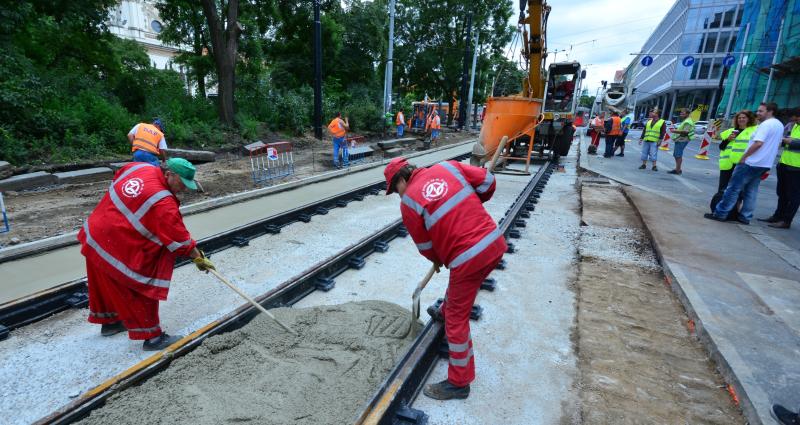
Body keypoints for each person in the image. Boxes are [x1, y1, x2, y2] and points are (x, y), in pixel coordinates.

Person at [384, 157, 506, 400]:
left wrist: (438, 257)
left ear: (401, 179)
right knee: (463, 286)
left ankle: (459, 383)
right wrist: (466, 204)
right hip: (493, 243)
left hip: (468, 259)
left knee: (456, 320)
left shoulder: (409, 202)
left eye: (394, 189)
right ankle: (447, 307)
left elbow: (426, 246)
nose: (397, 195)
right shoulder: (448, 166)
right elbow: (488, 182)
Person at [78, 158, 216, 351]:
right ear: (169, 174)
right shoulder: (163, 202)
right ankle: (152, 338)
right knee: (140, 282)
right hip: (115, 240)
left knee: (105, 278)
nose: (184, 189)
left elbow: (118, 177)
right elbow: (179, 239)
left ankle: (110, 323)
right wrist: (197, 257)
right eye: (182, 183)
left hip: (95, 231)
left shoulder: (139, 167)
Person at [705, 102, 784, 224]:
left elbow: (758, 143)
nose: (758, 113)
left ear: (770, 111)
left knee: (733, 189)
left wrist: (744, 157)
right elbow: (776, 145)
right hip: (763, 164)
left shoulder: (765, 125)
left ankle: (720, 213)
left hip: (751, 162)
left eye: (761, 111)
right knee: (751, 191)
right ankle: (745, 217)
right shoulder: (779, 125)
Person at [712, 111, 757, 218]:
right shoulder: (731, 131)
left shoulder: (754, 131)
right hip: (727, 164)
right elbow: (721, 147)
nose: (741, 119)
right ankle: (720, 208)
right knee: (723, 188)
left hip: (742, 165)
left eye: (744, 118)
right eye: (739, 118)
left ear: (749, 119)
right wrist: (728, 140)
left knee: (739, 190)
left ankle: (735, 211)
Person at [760, 108, 800, 229]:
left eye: (794, 118)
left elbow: (795, 143)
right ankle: (777, 216)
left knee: (793, 196)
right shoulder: (795, 126)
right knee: (781, 193)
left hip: (796, 168)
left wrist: (788, 140)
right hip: (784, 164)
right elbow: (788, 140)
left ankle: (786, 221)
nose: (792, 120)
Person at [669, 108, 695, 175]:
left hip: (682, 139)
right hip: (680, 139)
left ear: (687, 114)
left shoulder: (688, 122)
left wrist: (675, 131)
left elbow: (686, 132)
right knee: (676, 155)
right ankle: (678, 169)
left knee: (678, 155)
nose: (681, 114)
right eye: (680, 113)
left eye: (683, 113)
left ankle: (678, 170)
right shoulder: (686, 120)